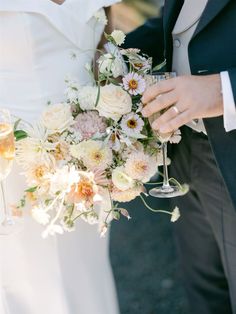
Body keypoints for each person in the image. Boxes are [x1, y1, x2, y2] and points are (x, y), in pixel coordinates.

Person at [0, 0, 120, 313]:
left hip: (87, 159)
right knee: (27, 281)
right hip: (15, 162)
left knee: (84, 274)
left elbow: (101, 44)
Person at [124, 0, 236, 313]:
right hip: (185, 148)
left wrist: (223, 90)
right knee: (203, 286)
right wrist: (112, 59)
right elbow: (181, 24)